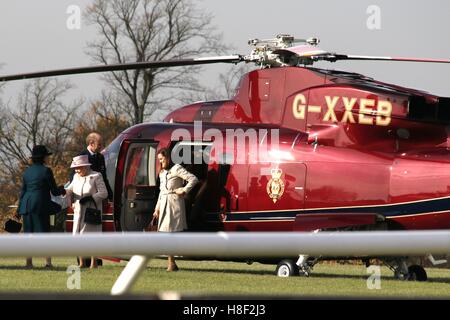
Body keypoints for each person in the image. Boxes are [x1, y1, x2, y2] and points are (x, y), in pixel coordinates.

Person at [17, 145, 66, 268]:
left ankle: (29, 262)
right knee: (44, 234)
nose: (48, 159)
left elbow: (23, 192)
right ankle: (48, 263)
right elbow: (54, 191)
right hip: (40, 205)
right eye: (47, 156)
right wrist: (62, 189)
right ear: (43, 158)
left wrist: (18, 209)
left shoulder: (27, 172)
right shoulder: (46, 171)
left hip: (26, 205)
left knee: (28, 235)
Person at [153, 148, 198, 272]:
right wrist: (156, 209)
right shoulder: (162, 172)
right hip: (164, 204)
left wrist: (183, 190)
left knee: (171, 234)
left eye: (162, 159)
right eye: (159, 160)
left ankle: (171, 263)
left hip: (174, 205)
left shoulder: (177, 168)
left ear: (167, 157)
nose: (161, 162)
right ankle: (171, 263)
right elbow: (162, 192)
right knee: (166, 234)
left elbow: (193, 179)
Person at [65, 155, 107, 268]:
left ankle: (94, 263)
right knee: (78, 237)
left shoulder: (96, 176)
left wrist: (91, 198)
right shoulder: (76, 177)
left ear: (86, 166)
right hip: (78, 211)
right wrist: (70, 201)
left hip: (91, 211)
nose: (77, 170)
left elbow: (104, 193)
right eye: (75, 168)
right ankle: (82, 263)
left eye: (79, 167)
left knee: (92, 238)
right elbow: (69, 189)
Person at [70, 132, 113, 201]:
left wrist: (110, 195)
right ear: (91, 143)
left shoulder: (100, 157)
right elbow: (73, 177)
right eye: (99, 144)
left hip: (99, 197)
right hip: (84, 197)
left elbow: (103, 177)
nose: (101, 147)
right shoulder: (80, 156)